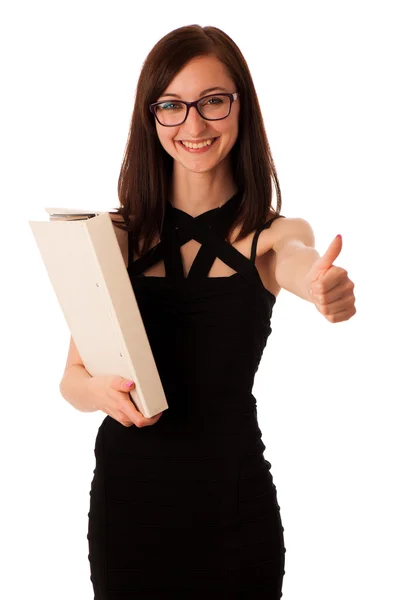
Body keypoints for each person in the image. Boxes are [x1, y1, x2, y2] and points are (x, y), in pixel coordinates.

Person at [59, 24, 356, 599]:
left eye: (213, 102)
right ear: (152, 118)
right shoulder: (111, 237)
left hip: (233, 506)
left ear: (241, 108)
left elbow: (299, 262)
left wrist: (324, 287)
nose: (193, 125)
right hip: (128, 508)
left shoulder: (271, 235)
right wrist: (101, 394)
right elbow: (71, 378)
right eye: (172, 106)